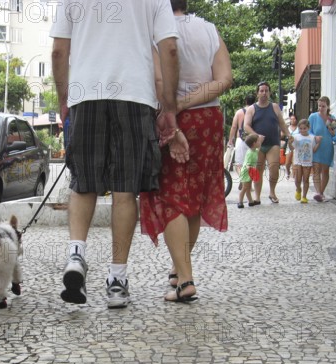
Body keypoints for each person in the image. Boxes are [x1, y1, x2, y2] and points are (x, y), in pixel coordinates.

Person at [50, 0, 188, 309]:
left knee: (83, 184)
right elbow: (170, 50)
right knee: (125, 192)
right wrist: (169, 106)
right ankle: (116, 280)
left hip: (86, 94)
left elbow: (59, 51)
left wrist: (64, 99)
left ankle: (76, 254)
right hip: (134, 95)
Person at [140, 0, 232, 302]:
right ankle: (180, 270)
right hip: (208, 119)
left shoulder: (155, 32)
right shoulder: (209, 29)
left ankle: (185, 281)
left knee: (171, 197)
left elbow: (154, 80)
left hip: (170, 119)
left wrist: (175, 106)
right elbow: (224, 79)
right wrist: (190, 101)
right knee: (194, 197)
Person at [243, 81, 293, 204]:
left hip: (273, 143)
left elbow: (281, 123)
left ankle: (272, 192)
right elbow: (246, 126)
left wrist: (288, 134)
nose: (264, 93)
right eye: (261, 91)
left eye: (266, 90)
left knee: (274, 168)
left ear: (269, 92)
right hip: (258, 145)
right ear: (257, 93)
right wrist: (256, 135)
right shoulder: (251, 109)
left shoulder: (274, 107)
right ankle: (257, 197)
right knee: (258, 170)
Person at [309, 96, 336, 202]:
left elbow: (335, 137)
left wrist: (332, 133)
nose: (321, 108)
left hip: (327, 147)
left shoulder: (332, 119)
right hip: (316, 146)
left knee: (325, 171)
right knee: (316, 170)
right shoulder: (313, 117)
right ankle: (317, 192)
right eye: (319, 106)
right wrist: (314, 137)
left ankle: (321, 192)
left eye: (323, 106)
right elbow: (308, 131)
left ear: (328, 106)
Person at [291, 119, 321, 203]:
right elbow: (292, 148)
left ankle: (304, 196)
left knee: (306, 179)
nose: (302, 130)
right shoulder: (296, 137)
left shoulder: (312, 137)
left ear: (308, 128)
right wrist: (290, 142)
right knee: (297, 179)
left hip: (307, 161)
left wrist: (318, 143)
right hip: (298, 161)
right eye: (300, 128)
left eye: (304, 128)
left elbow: (314, 150)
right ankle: (298, 189)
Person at [228, 93, 256, 177]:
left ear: (245, 101)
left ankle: (243, 180)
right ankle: (249, 185)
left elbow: (234, 127)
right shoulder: (256, 111)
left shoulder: (239, 112)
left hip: (241, 139)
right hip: (253, 139)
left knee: (239, 164)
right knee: (251, 164)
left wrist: (230, 140)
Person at [237, 134, 264, 208]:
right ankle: (240, 201)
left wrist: (261, 141)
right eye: (258, 141)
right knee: (245, 188)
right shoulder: (250, 153)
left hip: (250, 172)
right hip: (246, 172)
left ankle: (250, 201)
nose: (259, 142)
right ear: (254, 144)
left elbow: (259, 149)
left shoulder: (254, 150)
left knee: (248, 188)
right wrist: (253, 173)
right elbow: (247, 165)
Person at [284, 113, 299, 179]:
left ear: (296, 120)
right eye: (291, 119)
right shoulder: (287, 127)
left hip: (297, 145)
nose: (293, 120)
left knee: (294, 161)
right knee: (287, 163)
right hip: (289, 145)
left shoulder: (299, 128)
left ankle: (294, 175)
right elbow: (282, 135)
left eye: (294, 119)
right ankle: (288, 172)